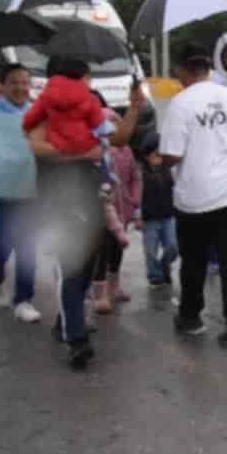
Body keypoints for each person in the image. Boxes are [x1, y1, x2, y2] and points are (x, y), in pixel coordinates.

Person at [28, 63, 146, 369]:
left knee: (88, 269)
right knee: (72, 269)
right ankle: (76, 340)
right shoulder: (46, 111)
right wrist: (83, 154)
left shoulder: (88, 111)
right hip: (60, 199)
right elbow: (36, 147)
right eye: (84, 77)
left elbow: (118, 139)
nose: (87, 83)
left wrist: (134, 108)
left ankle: (68, 321)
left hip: (93, 200)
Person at [160, 53, 227, 350]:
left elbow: (172, 153)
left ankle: (191, 317)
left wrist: (158, 161)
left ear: (184, 69)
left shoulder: (181, 103)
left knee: (194, 258)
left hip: (196, 194)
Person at [0, 65, 42, 324]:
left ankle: (24, 299)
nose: (20, 88)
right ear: (3, 85)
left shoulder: (38, 113)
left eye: (24, 83)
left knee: (28, 248)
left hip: (32, 192)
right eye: (13, 82)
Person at [93, 121, 140, 313]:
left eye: (116, 124)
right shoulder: (98, 151)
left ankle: (114, 287)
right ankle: (100, 293)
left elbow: (134, 177)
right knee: (101, 251)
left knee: (117, 250)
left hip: (122, 208)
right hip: (99, 211)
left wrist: (135, 202)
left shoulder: (126, 150)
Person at [137, 133, 178, 288]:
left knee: (173, 246)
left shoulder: (168, 169)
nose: (160, 155)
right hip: (149, 218)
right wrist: (138, 215)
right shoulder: (140, 172)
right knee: (150, 251)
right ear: (148, 154)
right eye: (156, 152)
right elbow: (138, 194)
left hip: (169, 215)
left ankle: (164, 265)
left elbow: (176, 188)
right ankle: (155, 275)